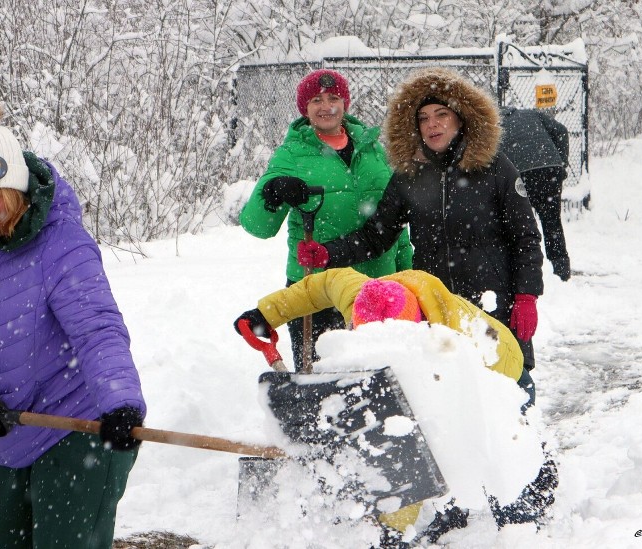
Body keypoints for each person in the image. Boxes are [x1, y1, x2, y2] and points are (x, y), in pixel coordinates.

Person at [0, 86, 147, 548]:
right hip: (6, 435)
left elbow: (96, 331)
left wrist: (119, 403)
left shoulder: (60, 244)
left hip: (78, 427)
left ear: (18, 187)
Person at [233, 267, 557, 544]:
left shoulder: (450, 344)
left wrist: (392, 532)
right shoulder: (361, 295)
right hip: (460, 358)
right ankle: (455, 509)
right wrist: (267, 313)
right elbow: (321, 284)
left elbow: (414, 447)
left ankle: (533, 497)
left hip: (501, 367)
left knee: (504, 454)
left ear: (412, 330)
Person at [296, 66, 544, 372]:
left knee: (510, 387)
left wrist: (527, 295)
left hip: (493, 303)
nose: (433, 125)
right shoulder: (408, 176)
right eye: (423, 118)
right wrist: (328, 252)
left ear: (460, 119)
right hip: (437, 306)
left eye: (442, 115)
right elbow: (377, 236)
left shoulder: (494, 167)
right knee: (447, 392)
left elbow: (525, 236)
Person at [239, 68, 413, 371]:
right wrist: (273, 192)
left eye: (333, 97)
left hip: (377, 284)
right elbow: (257, 226)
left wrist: (407, 273)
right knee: (321, 381)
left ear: (345, 103)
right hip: (315, 288)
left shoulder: (373, 150)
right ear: (305, 109)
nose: (326, 106)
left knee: (380, 379)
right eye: (316, 100)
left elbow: (395, 220)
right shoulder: (292, 154)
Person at [499, 106, 572, 281]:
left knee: (521, 225)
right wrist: (562, 161)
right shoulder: (531, 114)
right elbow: (561, 130)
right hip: (550, 170)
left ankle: (526, 271)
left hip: (521, 174)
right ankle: (561, 270)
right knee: (552, 221)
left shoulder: (495, 126)